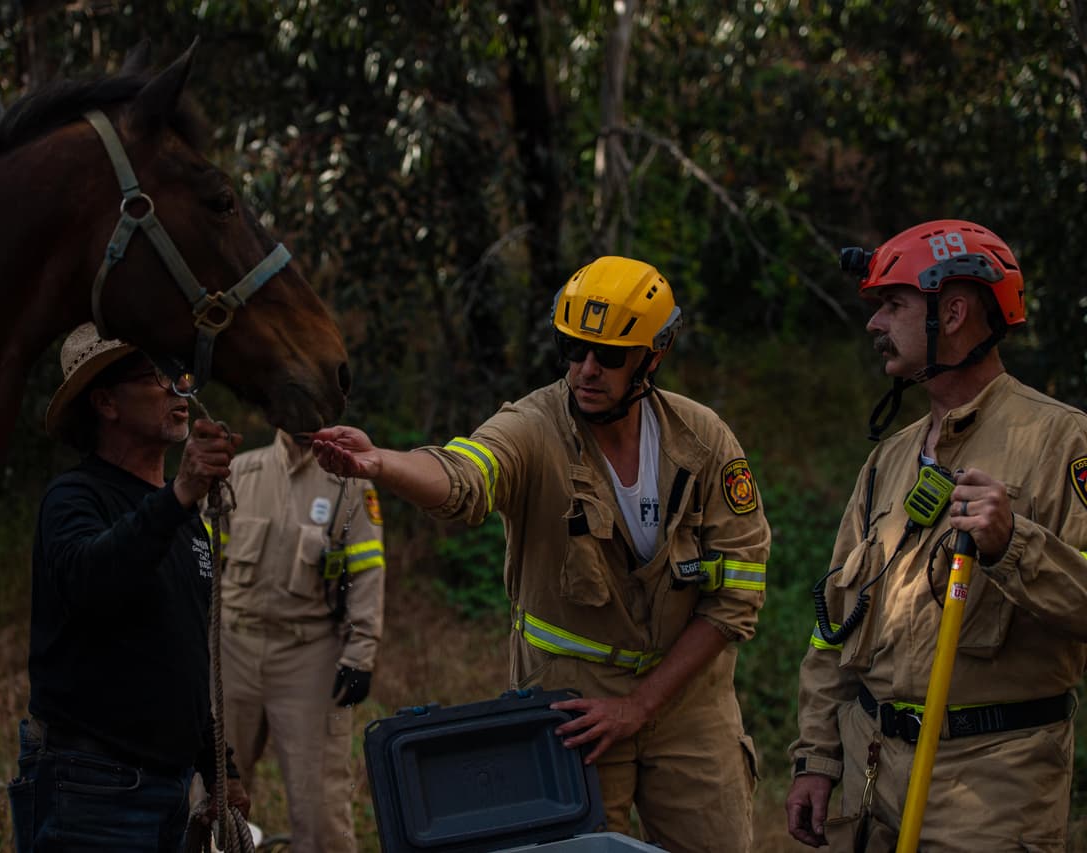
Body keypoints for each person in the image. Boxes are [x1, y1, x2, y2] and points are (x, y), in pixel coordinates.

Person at [312, 256, 769, 850]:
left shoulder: (704, 440)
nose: (585, 369)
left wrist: (641, 704)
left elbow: (736, 596)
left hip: (688, 705)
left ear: (653, 356)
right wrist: (382, 463)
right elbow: (462, 477)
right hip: (570, 710)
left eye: (607, 356)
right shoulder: (531, 427)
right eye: (572, 348)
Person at [786, 219, 1087, 851]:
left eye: (892, 305)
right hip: (874, 780)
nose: (874, 324)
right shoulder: (888, 460)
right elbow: (834, 622)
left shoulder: (1063, 442)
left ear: (952, 312)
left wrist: (1015, 546)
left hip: (992, 792)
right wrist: (816, 758)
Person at [6, 322, 251, 853]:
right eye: (156, 376)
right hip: (91, 786)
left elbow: (187, 654)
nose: (178, 388)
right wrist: (181, 492)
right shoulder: (73, 498)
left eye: (179, 374)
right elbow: (92, 583)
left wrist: (220, 768)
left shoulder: (184, 517)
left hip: (168, 789)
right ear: (106, 403)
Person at [215, 429, 386, 853]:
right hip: (233, 650)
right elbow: (202, 561)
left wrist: (361, 652)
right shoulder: (237, 472)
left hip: (309, 655)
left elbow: (367, 570)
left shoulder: (350, 482)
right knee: (212, 796)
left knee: (321, 807)